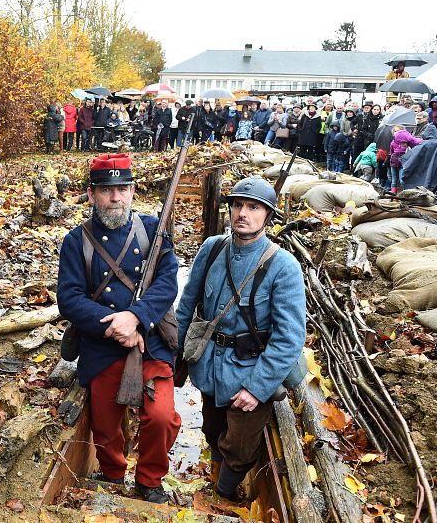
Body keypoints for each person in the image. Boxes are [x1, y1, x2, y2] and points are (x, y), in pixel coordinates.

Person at [57, 153, 180, 504]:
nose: (116, 198)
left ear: (133, 191)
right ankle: (112, 473)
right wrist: (115, 326)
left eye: (123, 189)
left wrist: (136, 317)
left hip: (150, 340)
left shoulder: (152, 231)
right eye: (107, 190)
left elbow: (168, 283)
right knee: (105, 422)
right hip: (102, 344)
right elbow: (70, 299)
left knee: (161, 417)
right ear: (91, 193)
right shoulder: (75, 241)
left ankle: (150, 479)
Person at [176, 176, 305, 502]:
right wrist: (171, 355)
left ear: (267, 215)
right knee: (212, 429)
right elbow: (186, 305)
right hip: (208, 364)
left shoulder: (283, 266)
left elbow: (289, 338)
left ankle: (223, 493)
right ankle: (215, 471)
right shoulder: (213, 247)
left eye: (253, 207)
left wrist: (256, 388)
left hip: (252, 369)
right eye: (237, 205)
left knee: (240, 445)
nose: (242, 213)